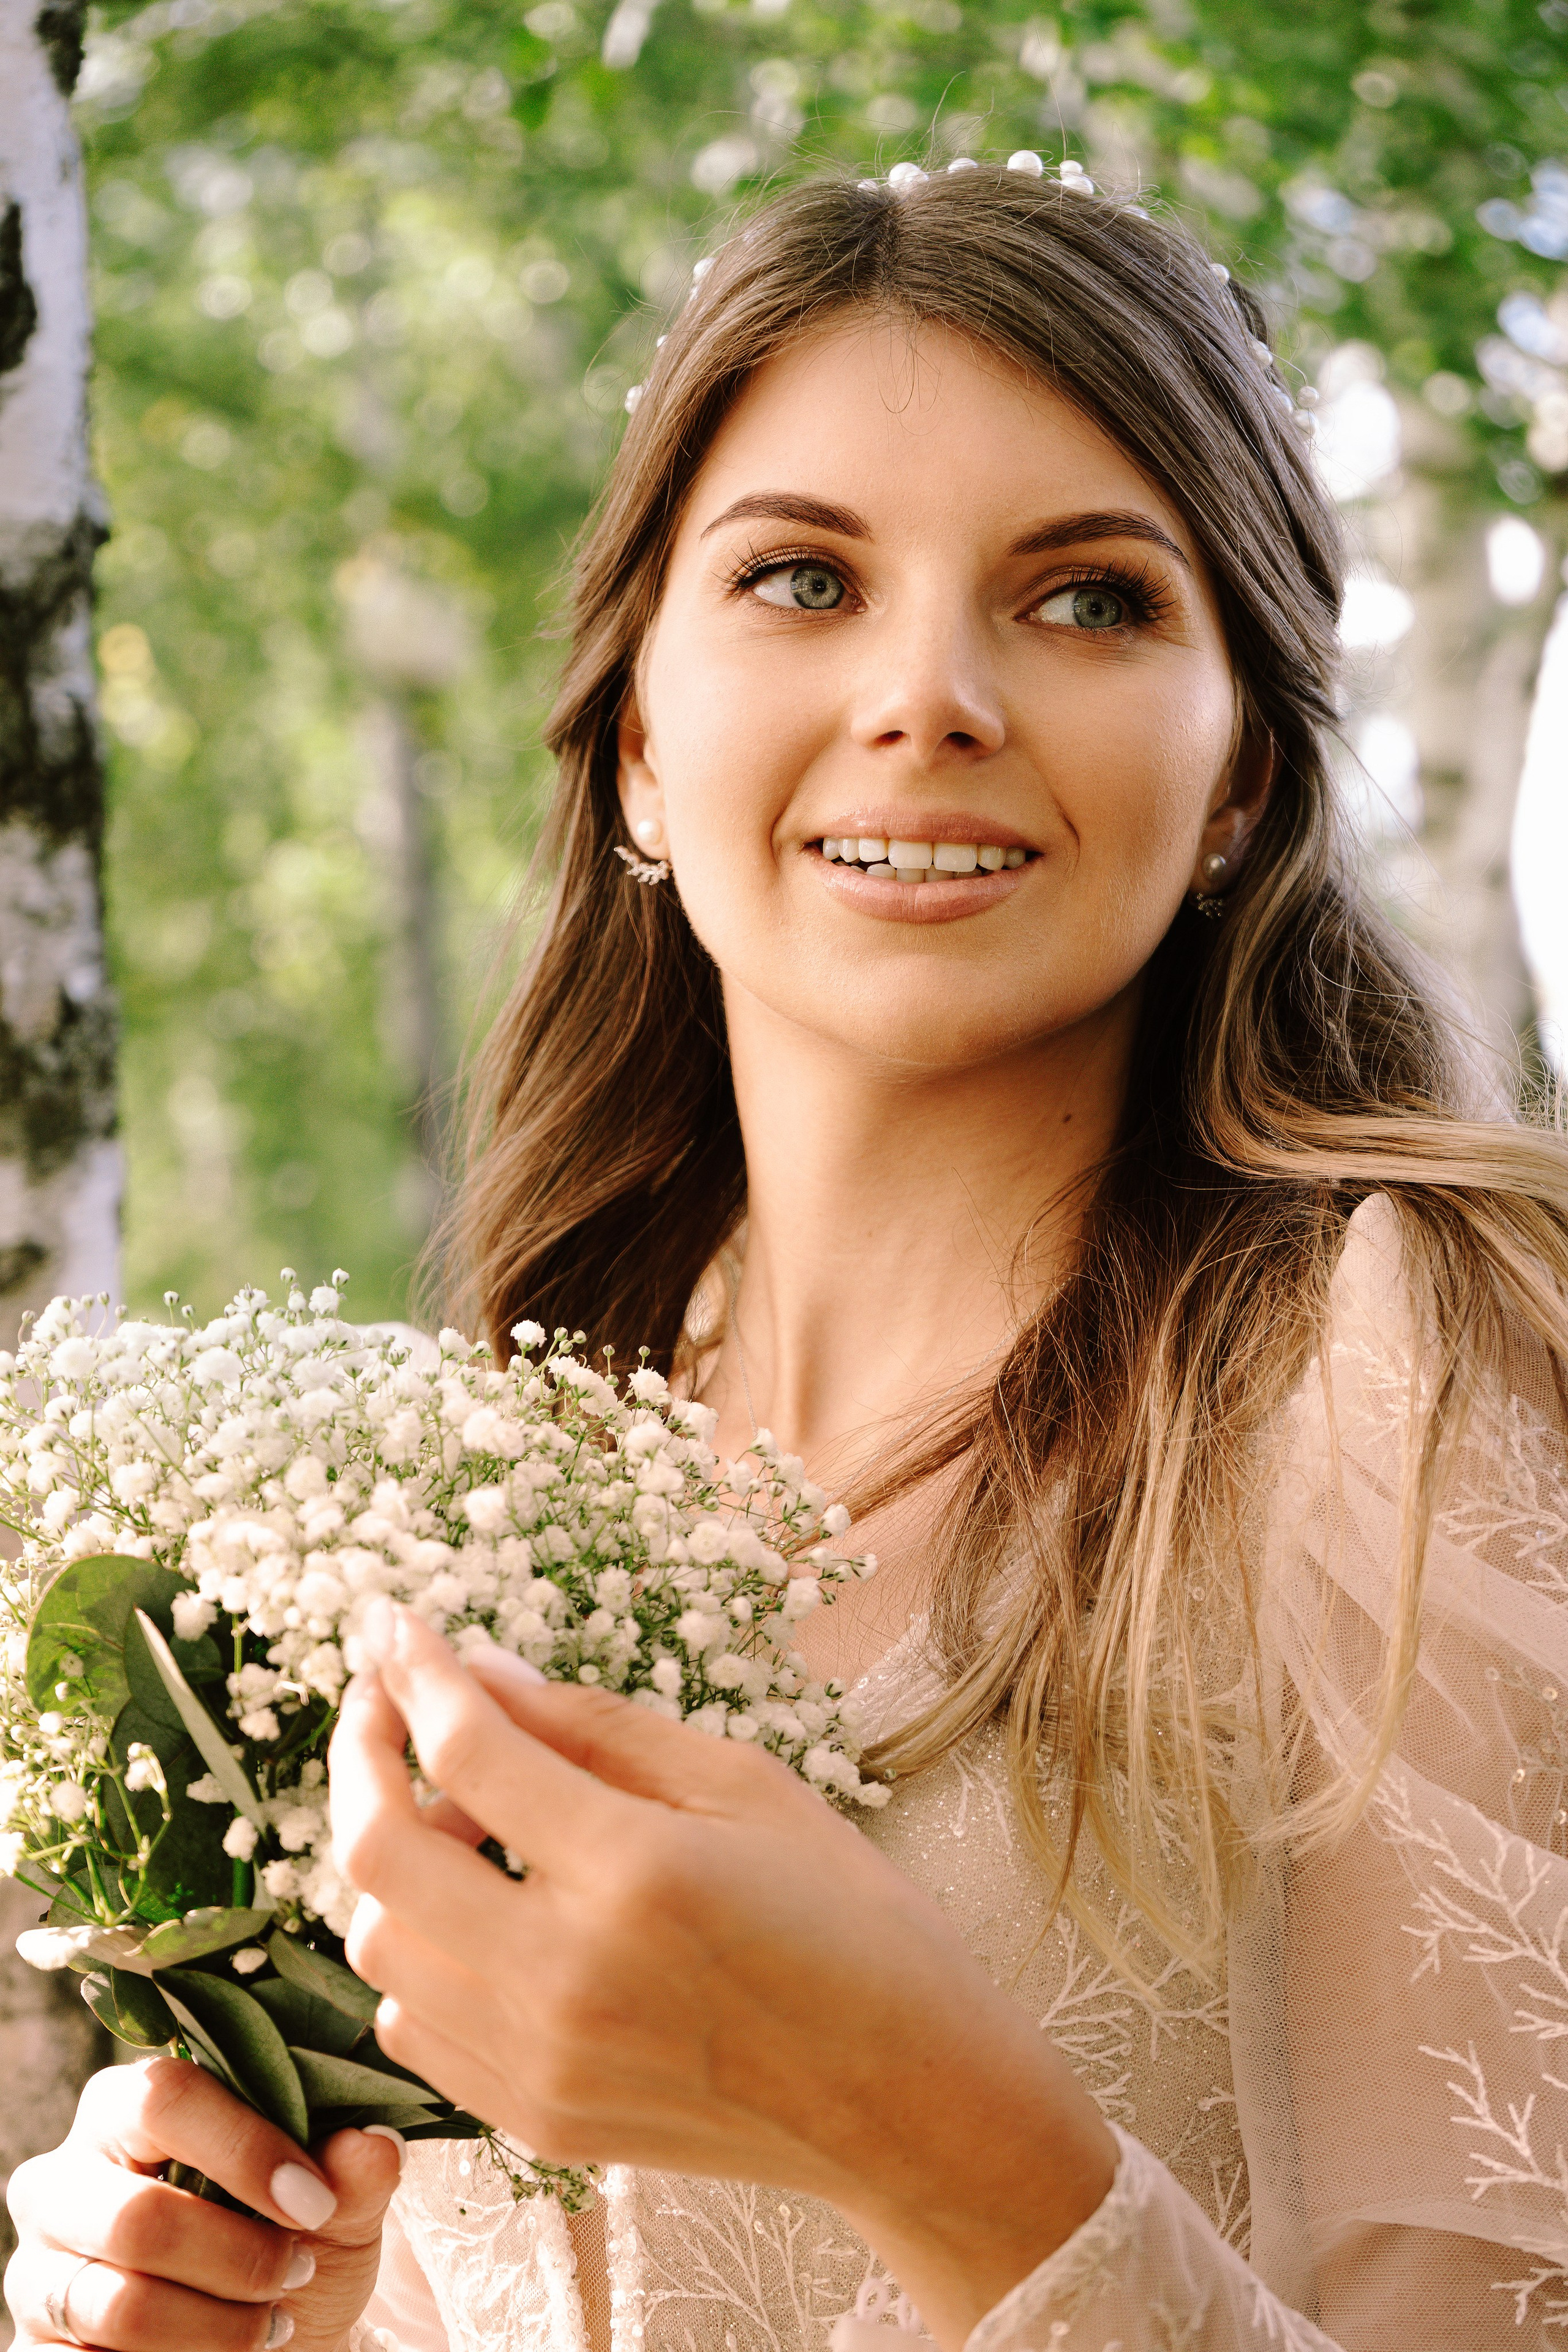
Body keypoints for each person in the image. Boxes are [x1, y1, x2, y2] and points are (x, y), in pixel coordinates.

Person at [9, 157, 1568, 2352]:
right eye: (804, 578)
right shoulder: (478, 1489)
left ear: (1240, 777)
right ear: (642, 744)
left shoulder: (1406, 1364)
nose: (930, 695)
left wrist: (919, 2129)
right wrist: (243, 2310)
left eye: (1091, 598)